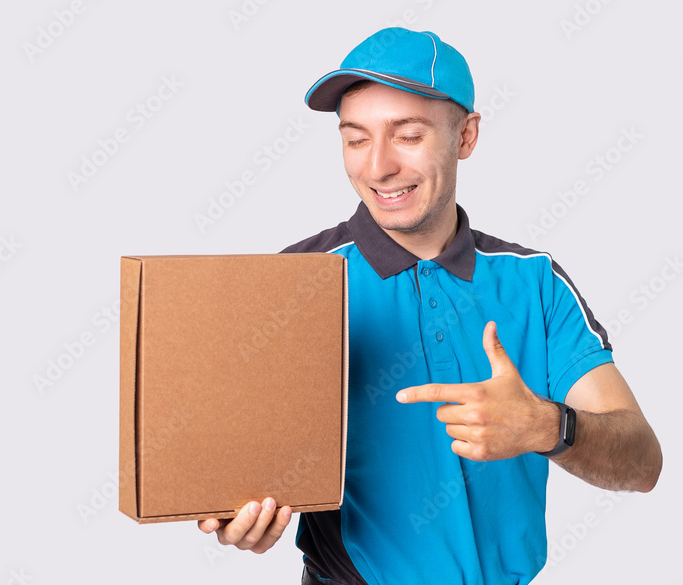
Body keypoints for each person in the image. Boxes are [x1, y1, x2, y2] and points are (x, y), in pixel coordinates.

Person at [197, 27, 662, 585]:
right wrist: (235, 514)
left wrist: (547, 426)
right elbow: (232, 465)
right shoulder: (294, 281)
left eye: (408, 136)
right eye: (356, 138)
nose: (378, 167)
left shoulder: (535, 282)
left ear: (465, 136)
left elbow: (642, 462)